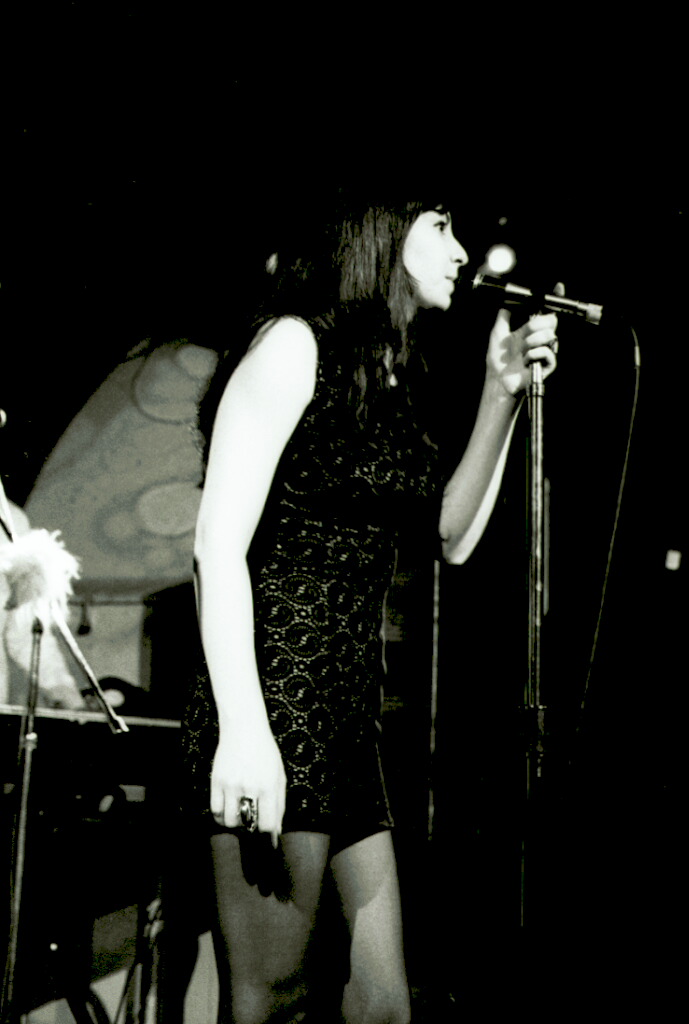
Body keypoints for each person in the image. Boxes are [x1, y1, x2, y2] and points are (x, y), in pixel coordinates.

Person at [180, 197, 559, 1023]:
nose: (460, 251)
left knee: (382, 1006)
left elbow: (449, 535)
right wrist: (245, 730)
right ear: (381, 228)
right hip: (277, 702)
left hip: (347, 721)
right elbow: (216, 545)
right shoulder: (292, 345)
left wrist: (500, 393)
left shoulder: (383, 375)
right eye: (441, 226)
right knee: (270, 997)